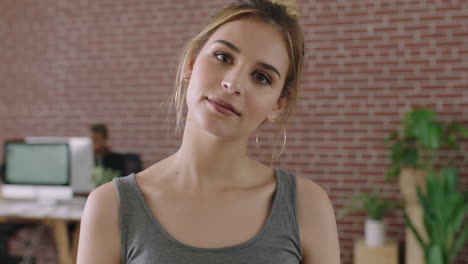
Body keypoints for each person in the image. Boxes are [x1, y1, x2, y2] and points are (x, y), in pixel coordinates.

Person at [77, 0, 341, 263]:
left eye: (261, 77)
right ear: (190, 65)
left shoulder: (307, 207)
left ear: (278, 105)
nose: (233, 83)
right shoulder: (111, 206)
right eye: (223, 57)